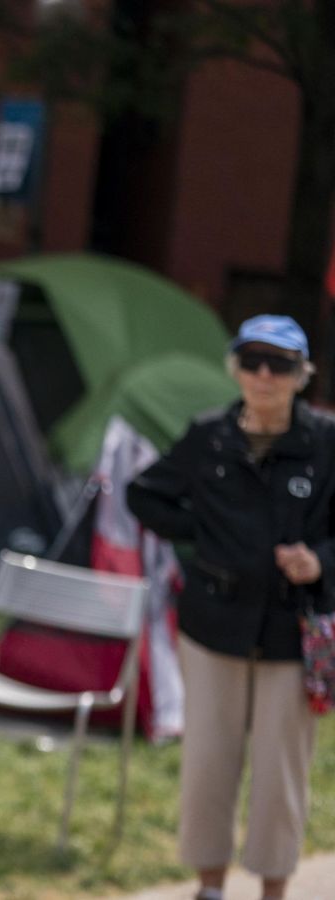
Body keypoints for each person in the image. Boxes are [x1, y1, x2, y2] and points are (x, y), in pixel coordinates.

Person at [127, 315, 333, 900]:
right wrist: (203, 536)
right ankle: (210, 886)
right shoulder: (208, 436)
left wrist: (320, 561)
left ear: (302, 375)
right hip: (212, 624)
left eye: (280, 364)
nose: (264, 375)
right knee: (207, 765)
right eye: (252, 361)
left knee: (279, 775)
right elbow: (143, 493)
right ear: (235, 369)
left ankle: (273, 890)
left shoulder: (325, 443)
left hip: (291, 631)